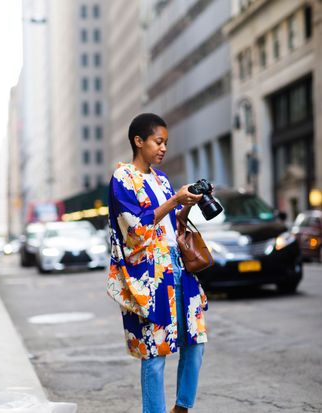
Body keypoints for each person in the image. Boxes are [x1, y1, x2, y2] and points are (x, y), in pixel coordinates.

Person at [107, 113, 208, 413]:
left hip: (179, 269)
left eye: (166, 142)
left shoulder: (162, 180)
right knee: (155, 353)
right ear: (139, 141)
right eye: (158, 141)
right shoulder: (122, 178)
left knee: (196, 340)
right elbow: (135, 229)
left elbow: (169, 227)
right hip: (149, 278)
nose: (163, 148)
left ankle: (181, 407)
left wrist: (186, 206)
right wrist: (174, 201)